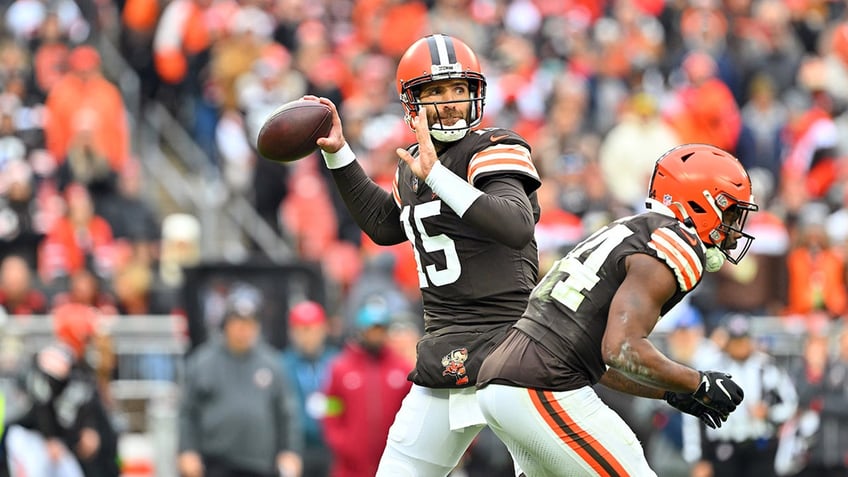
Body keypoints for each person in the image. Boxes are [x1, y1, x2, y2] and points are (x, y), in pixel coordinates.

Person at [303, 33, 541, 476]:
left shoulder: (493, 146)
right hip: (447, 349)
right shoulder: (413, 165)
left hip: (513, 346)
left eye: (458, 89)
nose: (450, 102)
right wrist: (339, 152)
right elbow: (383, 225)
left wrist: (438, 177)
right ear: (412, 103)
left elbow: (515, 223)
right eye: (435, 92)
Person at [476, 143, 759, 476]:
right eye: (729, 213)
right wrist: (698, 382)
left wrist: (671, 391)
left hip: (508, 379)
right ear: (700, 202)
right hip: (542, 383)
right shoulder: (674, 245)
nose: (733, 231)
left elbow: (598, 359)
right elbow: (621, 349)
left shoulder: (632, 230)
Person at [177, 284, 303, 477]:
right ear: (226, 324)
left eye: (249, 323)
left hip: (261, 464)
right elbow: (187, 412)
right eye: (238, 323)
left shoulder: (272, 363)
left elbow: (286, 413)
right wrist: (187, 450)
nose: (243, 330)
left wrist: (290, 451)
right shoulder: (202, 362)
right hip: (215, 463)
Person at [2, 302, 119, 477]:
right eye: (87, 336)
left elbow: (83, 403)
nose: (91, 341)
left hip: (57, 444)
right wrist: (50, 438)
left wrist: (88, 428)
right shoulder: (56, 358)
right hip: (33, 438)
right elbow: (41, 398)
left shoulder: (82, 366)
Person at [682, 314, 798, 477]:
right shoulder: (711, 370)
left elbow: (791, 404)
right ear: (727, 342)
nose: (740, 346)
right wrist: (698, 458)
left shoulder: (767, 368)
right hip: (724, 447)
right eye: (735, 341)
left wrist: (769, 413)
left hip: (759, 446)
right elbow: (693, 414)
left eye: (743, 340)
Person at [322, 301, 413, 477]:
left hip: (392, 465)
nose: (375, 336)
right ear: (361, 331)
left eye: (380, 330)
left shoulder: (402, 370)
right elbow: (331, 408)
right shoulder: (341, 369)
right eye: (371, 330)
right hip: (350, 468)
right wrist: (342, 442)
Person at [279, 300, 339, 477]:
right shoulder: (283, 364)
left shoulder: (336, 362)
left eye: (313, 329)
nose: (308, 336)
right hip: (297, 449)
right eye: (302, 330)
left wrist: (328, 407)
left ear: (323, 330)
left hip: (331, 447)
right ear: (292, 333)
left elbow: (345, 404)